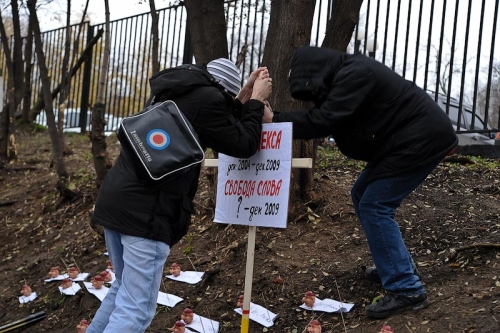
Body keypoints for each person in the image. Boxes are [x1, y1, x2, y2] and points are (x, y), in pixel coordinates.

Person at [267, 46, 458, 319]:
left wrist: (274, 119)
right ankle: (394, 267)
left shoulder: (356, 73)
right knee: (361, 194)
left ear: (315, 70)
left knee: (375, 204)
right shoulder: (345, 76)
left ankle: (406, 288)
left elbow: (325, 121)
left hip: (421, 140)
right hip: (405, 142)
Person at [86, 58, 273, 333]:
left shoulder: (177, 92)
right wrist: (256, 100)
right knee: (136, 309)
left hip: (117, 203)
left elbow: (220, 120)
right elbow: (244, 144)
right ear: (222, 91)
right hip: (145, 216)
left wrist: (245, 96)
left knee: (122, 291)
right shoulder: (209, 102)